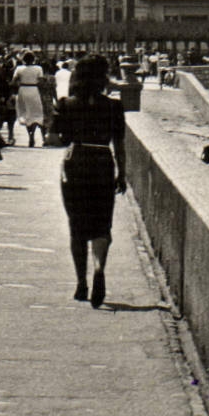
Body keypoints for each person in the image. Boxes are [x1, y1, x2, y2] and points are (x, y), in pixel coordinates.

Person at [55, 55, 128, 307]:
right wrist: (123, 173)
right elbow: (119, 144)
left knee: (76, 224)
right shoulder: (114, 106)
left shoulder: (67, 104)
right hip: (102, 162)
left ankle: (81, 284)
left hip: (76, 161)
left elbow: (58, 138)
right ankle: (99, 268)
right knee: (101, 223)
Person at [11, 51, 48, 147]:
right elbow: (41, 82)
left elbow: (13, 82)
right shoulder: (38, 68)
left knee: (26, 113)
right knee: (37, 113)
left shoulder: (19, 68)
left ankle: (30, 135)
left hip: (23, 90)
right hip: (34, 90)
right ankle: (39, 134)